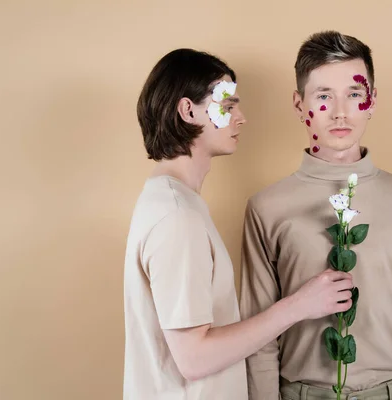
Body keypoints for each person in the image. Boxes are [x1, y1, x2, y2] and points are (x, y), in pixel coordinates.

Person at [123, 48, 355, 400]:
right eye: (228, 106)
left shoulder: (176, 204)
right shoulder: (176, 217)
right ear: (188, 111)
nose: (241, 118)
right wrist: (299, 306)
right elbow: (194, 358)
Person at [240, 31, 392, 400]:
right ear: (299, 104)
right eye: (323, 96)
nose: (341, 112)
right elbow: (259, 340)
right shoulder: (266, 207)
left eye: (354, 94)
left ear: (372, 102)